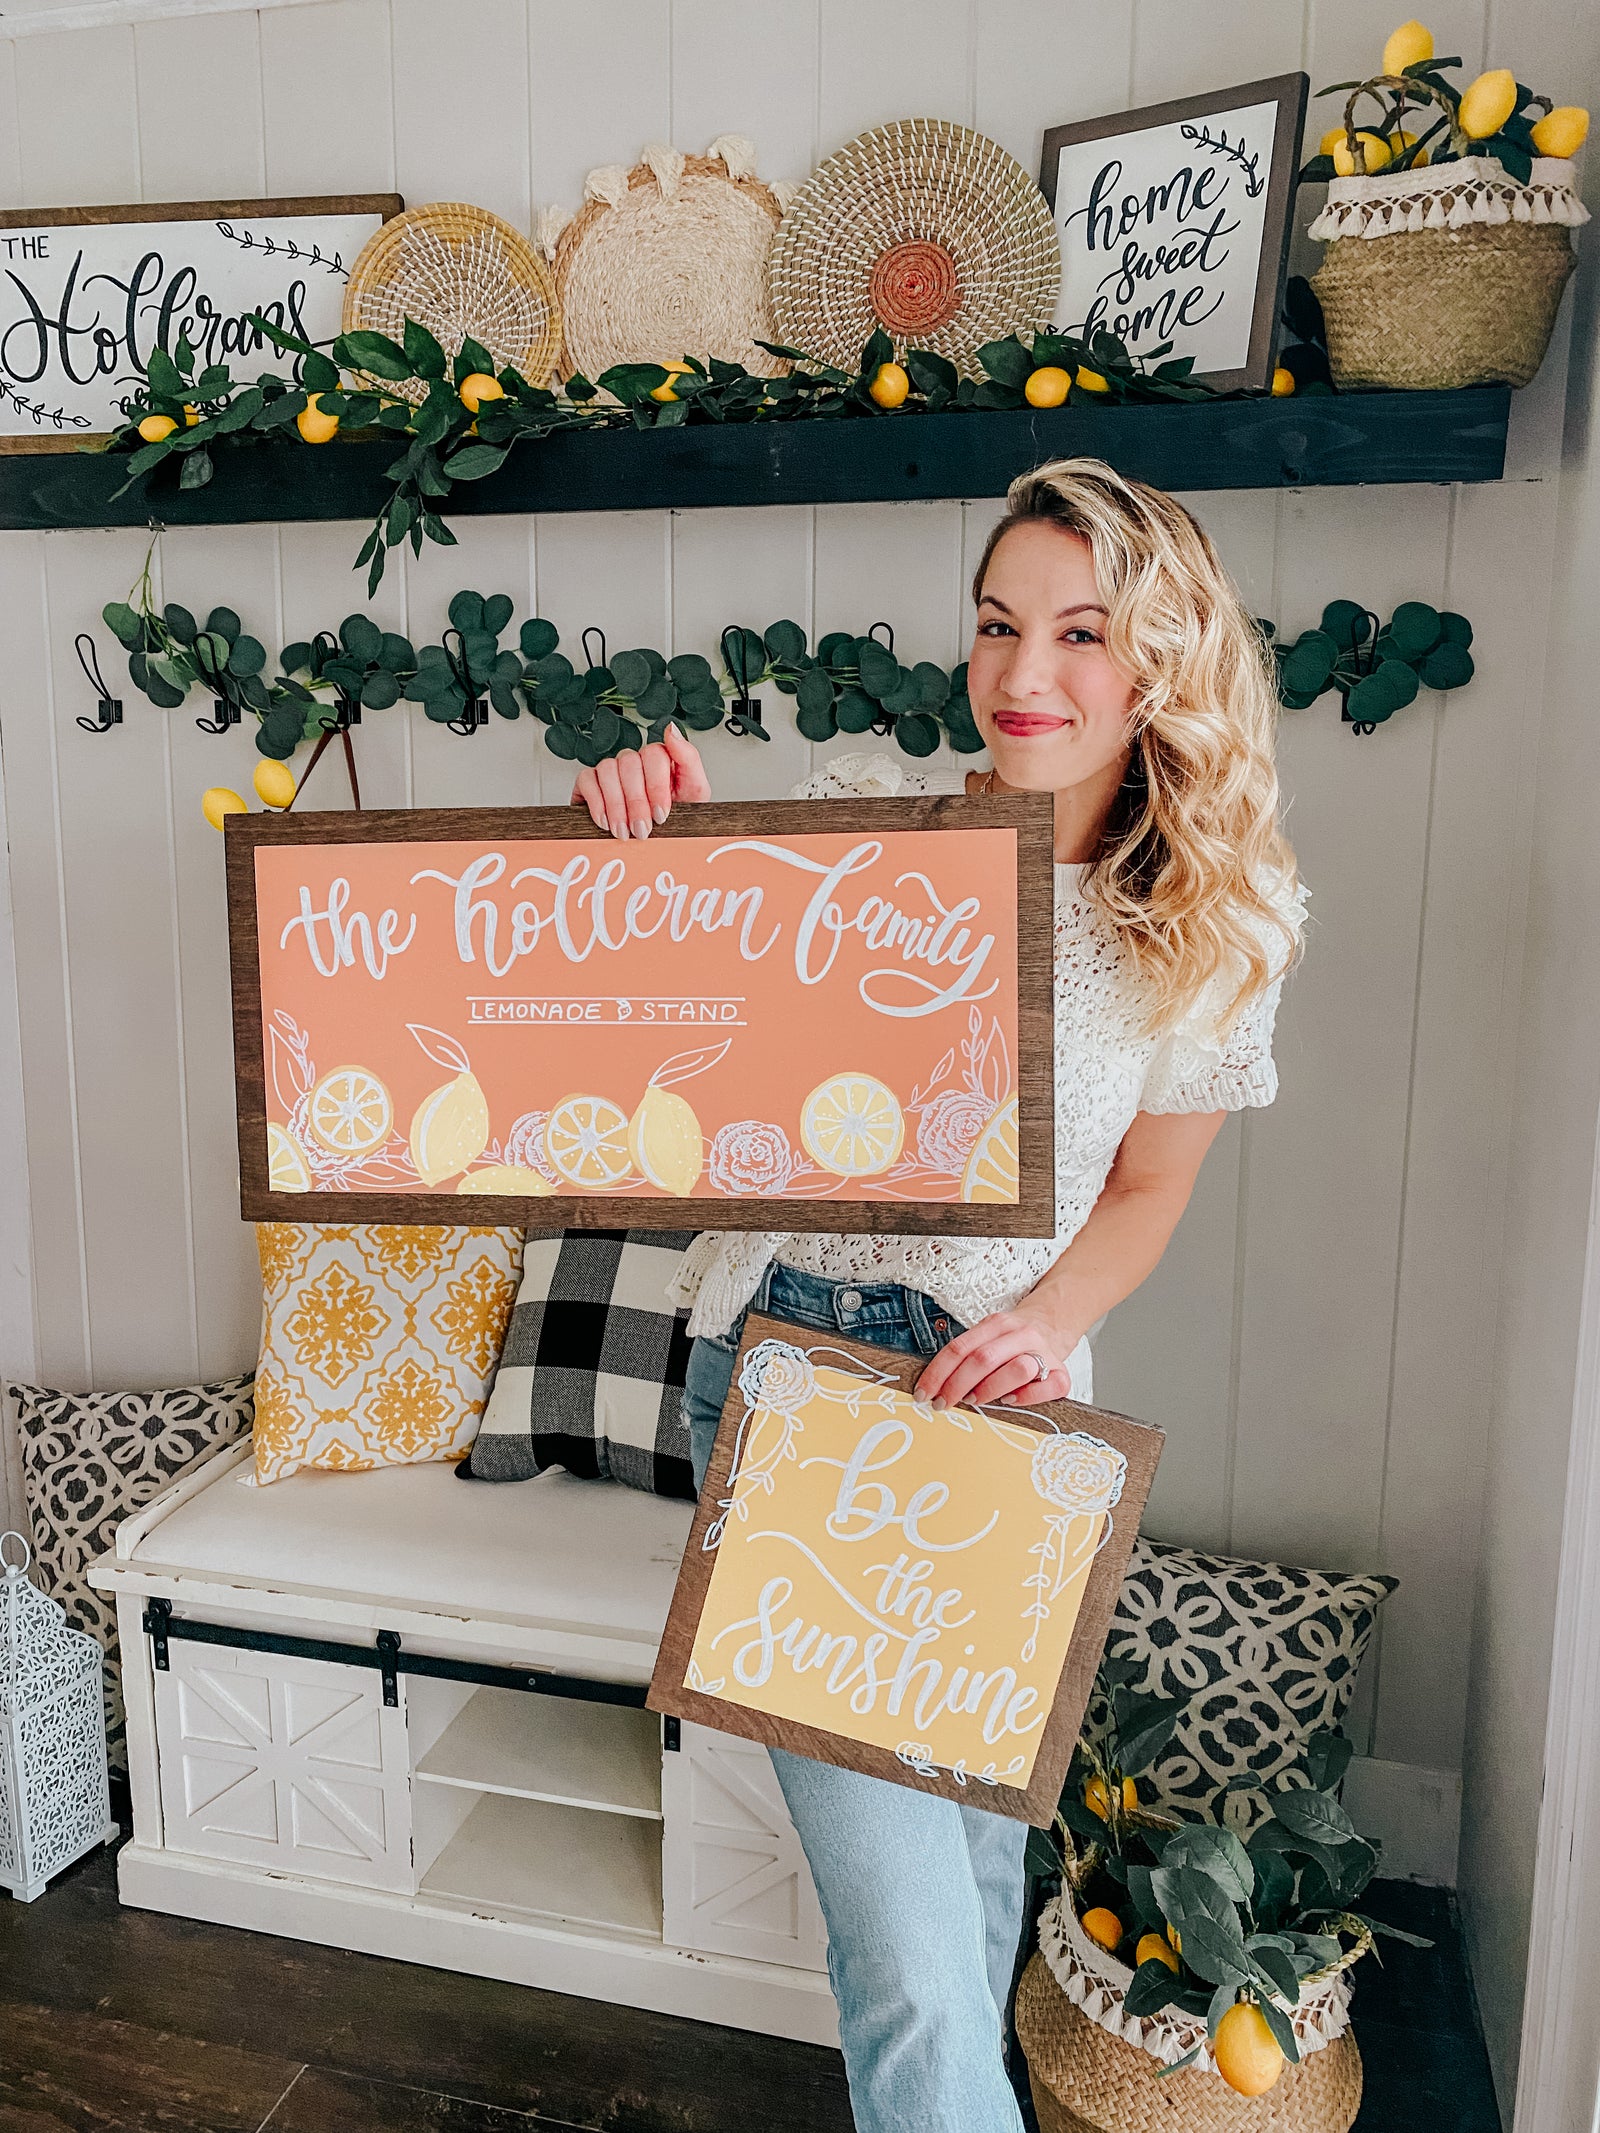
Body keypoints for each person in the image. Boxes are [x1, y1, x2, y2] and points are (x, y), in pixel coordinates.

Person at [570, 457, 1306, 2133]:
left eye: (1080, 632)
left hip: (1004, 1417)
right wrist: (650, 838)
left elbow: (1149, 1188)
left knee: (976, 1885)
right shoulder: (872, 824)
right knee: (907, 1960)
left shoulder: (1217, 917)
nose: (1022, 673)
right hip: (797, 1381)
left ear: (1164, 660)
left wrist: (1047, 1321)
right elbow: (687, 1004)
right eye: (995, 624)